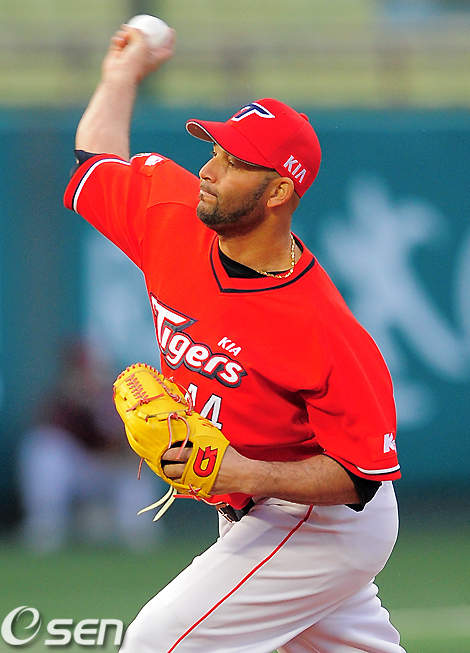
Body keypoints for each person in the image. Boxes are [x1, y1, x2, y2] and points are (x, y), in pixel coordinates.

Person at [64, 21, 405, 653]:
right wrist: (121, 76)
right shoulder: (171, 216)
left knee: (159, 641)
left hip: (321, 524)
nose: (208, 170)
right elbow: (98, 162)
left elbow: (361, 475)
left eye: (235, 162)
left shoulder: (321, 326)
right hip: (252, 511)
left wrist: (239, 469)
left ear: (279, 191)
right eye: (215, 150)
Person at [19, 338, 159, 552]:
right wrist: (82, 407)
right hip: (78, 469)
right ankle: (46, 526)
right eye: (82, 370)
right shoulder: (62, 401)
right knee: (43, 448)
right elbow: (50, 430)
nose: (88, 376)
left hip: (112, 469)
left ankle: (137, 529)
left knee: (139, 462)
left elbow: (131, 445)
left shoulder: (122, 396)